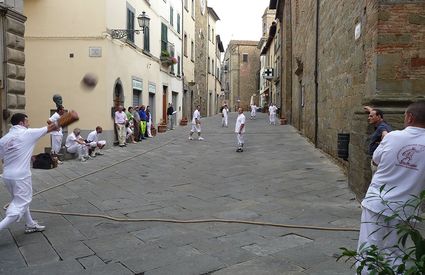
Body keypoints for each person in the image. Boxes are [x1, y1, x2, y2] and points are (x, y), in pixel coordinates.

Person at [357, 101, 425, 271]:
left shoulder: (392, 137)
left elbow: (375, 160)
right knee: (396, 254)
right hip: (406, 208)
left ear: (410, 117)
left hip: (377, 202)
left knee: (368, 250)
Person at [0, 113, 58, 233]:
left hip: (7, 176)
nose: (29, 124)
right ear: (21, 123)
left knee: (19, 201)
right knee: (21, 204)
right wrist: (67, 116)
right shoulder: (27, 133)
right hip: (21, 176)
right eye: (27, 122)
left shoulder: (4, 139)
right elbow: (51, 127)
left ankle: (30, 223)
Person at [364, 106, 392, 174]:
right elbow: (376, 114)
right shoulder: (382, 123)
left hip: (378, 164)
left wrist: (383, 142)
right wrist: (371, 110)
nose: (369, 118)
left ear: (378, 117)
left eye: (371, 116)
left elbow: (386, 134)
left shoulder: (382, 127)